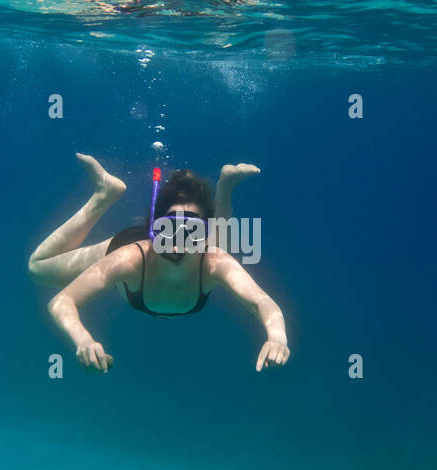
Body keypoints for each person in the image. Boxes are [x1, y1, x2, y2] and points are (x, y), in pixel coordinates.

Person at [28, 153, 290, 373]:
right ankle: (105, 194)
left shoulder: (212, 261)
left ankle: (225, 184)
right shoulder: (128, 259)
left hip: (201, 253)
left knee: (218, 250)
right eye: (170, 228)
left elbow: (263, 302)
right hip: (129, 245)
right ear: (155, 228)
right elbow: (61, 301)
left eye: (192, 232)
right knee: (38, 268)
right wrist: (83, 340)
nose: (178, 243)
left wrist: (277, 335)